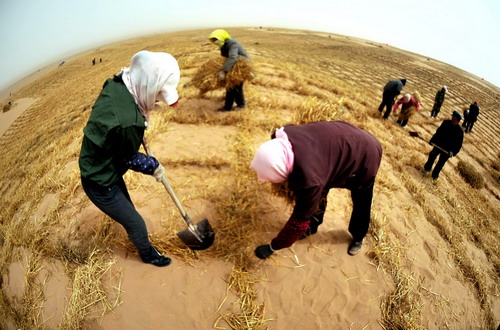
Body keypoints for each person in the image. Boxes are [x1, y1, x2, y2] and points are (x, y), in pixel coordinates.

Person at [79, 51, 181, 267]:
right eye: (157, 95)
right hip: (100, 182)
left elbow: (121, 127)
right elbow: (130, 158)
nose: (156, 100)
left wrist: (138, 121)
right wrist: (153, 166)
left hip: (105, 169)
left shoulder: (118, 84)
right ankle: (148, 255)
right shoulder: (127, 122)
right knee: (136, 223)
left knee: (128, 210)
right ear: (148, 84)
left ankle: (133, 230)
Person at [250, 121, 382, 259]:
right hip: (338, 144)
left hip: (365, 156)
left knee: (362, 200)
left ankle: (358, 235)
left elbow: (298, 223)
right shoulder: (281, 134)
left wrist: (272, 247)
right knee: (320, 192)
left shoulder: (310, 180)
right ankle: (312, 226)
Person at [209, 29, 250, 111]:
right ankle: (228, 106)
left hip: (241, 67)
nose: (216, 41)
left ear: (221, 37)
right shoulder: (223, 45)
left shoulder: (232, 43)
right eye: (214, 40)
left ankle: (240, 105)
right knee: (230, 86)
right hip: (233, 66)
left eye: (216, 39)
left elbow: (233, 57)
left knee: (236, 86)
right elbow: (225, 58)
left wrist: (224, 70)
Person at [422, 111, 464, 180]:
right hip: (439, 144)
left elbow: (458, 145)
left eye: (454, 119)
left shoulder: (459, 132)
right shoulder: (446, 123)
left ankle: (435, 176)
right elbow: (438, 132)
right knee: (432, 155)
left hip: (447, 150)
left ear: (458, 121)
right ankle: (427, 169)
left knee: (440, 163)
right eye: (452, 117)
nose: (452, 119)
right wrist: (432, 140)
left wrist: (453, 152)